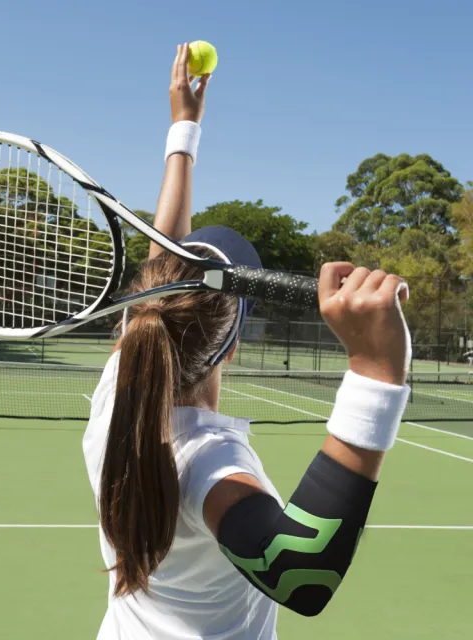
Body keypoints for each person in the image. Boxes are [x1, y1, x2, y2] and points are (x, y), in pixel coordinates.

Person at [83, 44, 412, 640]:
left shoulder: (117, 396)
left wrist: (183, 129)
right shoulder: (210, 462)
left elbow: (164, 266)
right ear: (233, 347)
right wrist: (375, 373)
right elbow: (302, 574)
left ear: (140, 316)